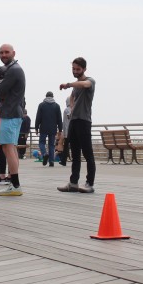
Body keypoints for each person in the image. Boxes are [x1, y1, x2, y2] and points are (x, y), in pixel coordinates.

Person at [58, 57, 96, 193]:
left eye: (78, 69)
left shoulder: (90, 81)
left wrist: (68, 84)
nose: (75, 71)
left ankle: (89, 183)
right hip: (73, 121)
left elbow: (84, 84)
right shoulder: (76, 86)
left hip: (84, 121)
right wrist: (72, 108)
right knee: (75, 154)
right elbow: (72, 96)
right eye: (73, 69)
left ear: (84, 69)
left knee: (87, 153)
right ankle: (73, 183)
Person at [0, 44, 26, 196]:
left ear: (14, 53)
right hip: (15, 112)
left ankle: (15, 185)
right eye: (1, 52)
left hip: (10, 113)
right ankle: (14, 184)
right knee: (11, 148)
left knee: (7, 148)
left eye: (6, 52)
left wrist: (0, 82)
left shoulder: (13, 70)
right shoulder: (15, 69)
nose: (3, 55)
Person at [34, 91, 62, 167]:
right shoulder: (57, 106)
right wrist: (60, 130)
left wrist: (36, 127)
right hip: (53, 128)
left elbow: (38, 117)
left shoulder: (41, 105)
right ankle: (51, 161)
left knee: (41, 142)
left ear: (46, 96)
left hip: (43, 128)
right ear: (53, 97)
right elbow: (59, 119)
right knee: (51, 145)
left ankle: (44, 154)